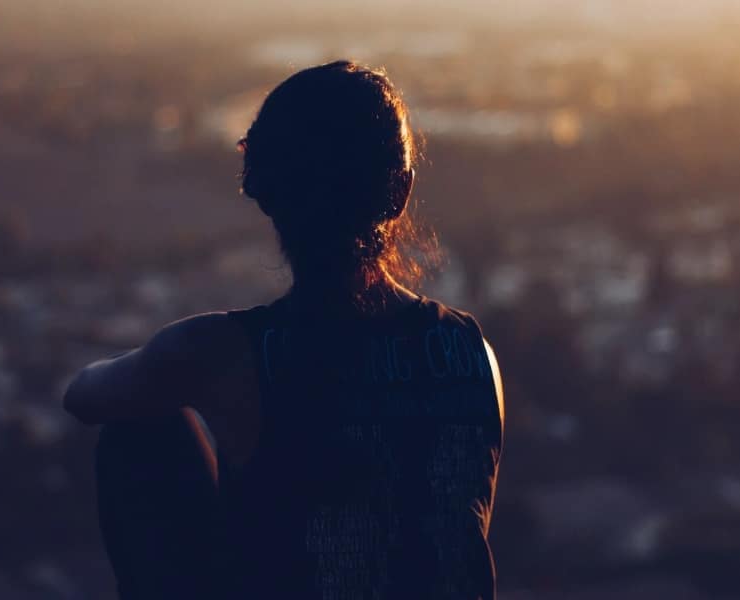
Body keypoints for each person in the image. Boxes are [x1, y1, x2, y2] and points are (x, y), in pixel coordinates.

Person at [64, 60, 505, 600]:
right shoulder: (472, 353)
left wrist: (170, 369)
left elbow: (84, 396)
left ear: (265, 194)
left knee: (137, 428)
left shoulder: (223, 354)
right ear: (402, 192)